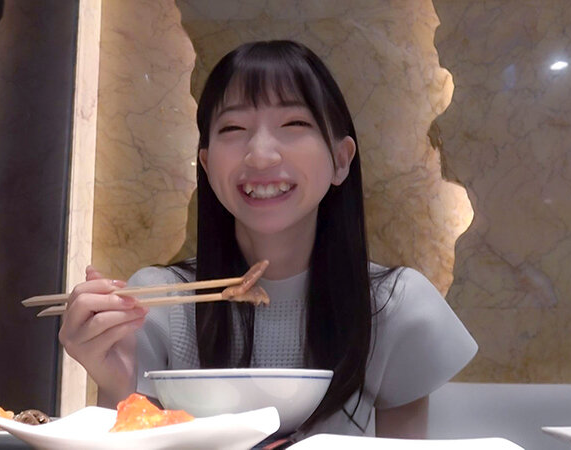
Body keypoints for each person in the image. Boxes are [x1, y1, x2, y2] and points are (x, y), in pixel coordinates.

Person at [59, 40, 477, 440]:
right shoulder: (157, 304)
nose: (260, 154)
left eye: (294, 124)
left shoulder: (394, 306)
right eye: (233, 127)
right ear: (207, 165)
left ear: (341, 160)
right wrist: (116, 386)